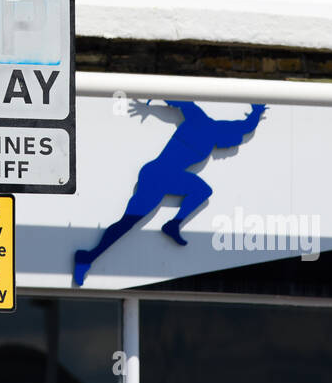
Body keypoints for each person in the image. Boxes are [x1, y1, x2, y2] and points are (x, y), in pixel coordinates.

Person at [73, 100, 266, 286]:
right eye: (231, 145)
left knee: (201, 191)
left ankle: (172, 225)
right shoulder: (200, 120)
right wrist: (149, 105)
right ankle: (87, 257)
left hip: (168, 176)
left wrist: (257, 112)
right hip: (158, 175)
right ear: (226, 137)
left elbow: (245, 127)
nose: (228, 148)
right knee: (128, 222)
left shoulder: (211, 131)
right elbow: (183, 101)